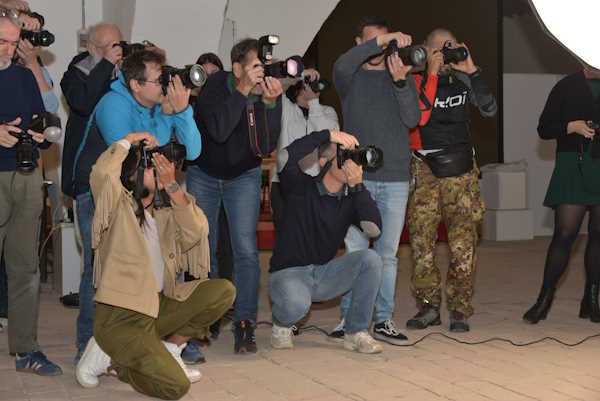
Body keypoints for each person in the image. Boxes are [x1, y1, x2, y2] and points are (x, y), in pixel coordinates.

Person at [75, 132, 235, 400]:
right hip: (120, 318)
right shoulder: (118, 207)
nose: (159, 168)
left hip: (156, 307)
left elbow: (198, 231)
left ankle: (171, 348)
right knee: (176, 386)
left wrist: (172, 186)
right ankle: (110, 359)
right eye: (149, 165)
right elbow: (101, 174)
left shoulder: (165, 214)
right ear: (131, 176)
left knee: (223, 291)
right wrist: (129, 140)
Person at [70, 49, 203, 363]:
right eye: (159, 80)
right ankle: (88, 344)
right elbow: (133, 160)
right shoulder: (112, 104)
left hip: (141, 191)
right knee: (100, 268)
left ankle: (165, 335)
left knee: (166, 262)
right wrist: (167, 118)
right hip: (98, 192)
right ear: (135, 85)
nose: (165, 85)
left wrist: (182, 112)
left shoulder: (157, 106)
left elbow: (193, 152)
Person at [186, 38, 283, 354]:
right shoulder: (214, 86)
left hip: (243, 175)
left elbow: (266, 145)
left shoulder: (266, 91)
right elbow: (219, 131)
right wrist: (242, 91)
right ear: (238, 68)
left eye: (263, 67)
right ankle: (210, 315)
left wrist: (270, 104)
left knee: (246, 250)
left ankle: (244, 323)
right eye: (255, 67)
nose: (261, 73)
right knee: (207, 250)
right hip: (204, 174)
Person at [330, 16, 420, 344]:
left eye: (386, 43)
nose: (381, 50)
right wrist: (382, 41)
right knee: (355, 251)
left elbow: (413, 119)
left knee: (387, 255)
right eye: (374, 43)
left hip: (395, 178)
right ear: (360, 44)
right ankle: (349, 317)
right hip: (357, 178)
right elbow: (341, 64)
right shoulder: (350, 77)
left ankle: (383, 320)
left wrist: (400, 82)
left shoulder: (401, 76)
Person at [405, 28, 496, 332]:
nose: (445, 56)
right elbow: (417, 116)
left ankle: (459, 309)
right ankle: (428, 307)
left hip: (460, 168)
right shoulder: (413, 80)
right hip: (424, 169)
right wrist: (430, 72)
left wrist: (472, 70)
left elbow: (489, 108)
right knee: (421, 243)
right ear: (425, 51)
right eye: (439, 50)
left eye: (450, 49)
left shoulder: (465, 79)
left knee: (463, 244)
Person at [269, 128, 384, 354]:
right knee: (297, 303)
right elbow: (283, 158)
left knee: (371, 260)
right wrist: (327, 135)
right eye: (344, 155)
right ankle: (281, 324)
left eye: (354, 156)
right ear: (324, 161)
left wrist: (358, 186)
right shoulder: (300, 186)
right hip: (288, 274)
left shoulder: (350, 200)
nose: (350, 162)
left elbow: (374, 229)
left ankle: (356, 332)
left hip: (322, 275)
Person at [0, 8, 61, 375]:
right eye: (1, 41)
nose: (8, 49)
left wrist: (41, 134)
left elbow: (45, 124)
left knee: (25, 268)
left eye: (12, 42)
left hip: (26, 176)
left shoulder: (24, 76)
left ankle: (26, 348)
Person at [61, 22, 123, 364]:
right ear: (91, 47)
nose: (116, 52)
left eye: (118, 45)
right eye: (107, 46)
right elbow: (83, 103)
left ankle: (121, 337)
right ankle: (86, 342)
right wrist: (106, 65)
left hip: (122, 180)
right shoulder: (76, 73)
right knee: (95, 263)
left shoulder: (123, 73)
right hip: (88, 182)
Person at [523, 67, 600, 324]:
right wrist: (571, 126)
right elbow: (544, 129)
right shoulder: (565, 86)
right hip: (572, 166)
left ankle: (591, 298)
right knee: (564, 234)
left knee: (599, 235)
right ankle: (544, 299)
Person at [270, 68, 339, 231]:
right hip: (284, 184)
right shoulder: (286, 108)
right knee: (286, 236)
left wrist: (314, 102)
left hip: (315, 184)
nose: (313, 87)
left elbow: (328, 137)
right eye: (309, 84)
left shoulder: (328, 112)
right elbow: (275, 83)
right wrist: (301, 75)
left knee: (313, 237)